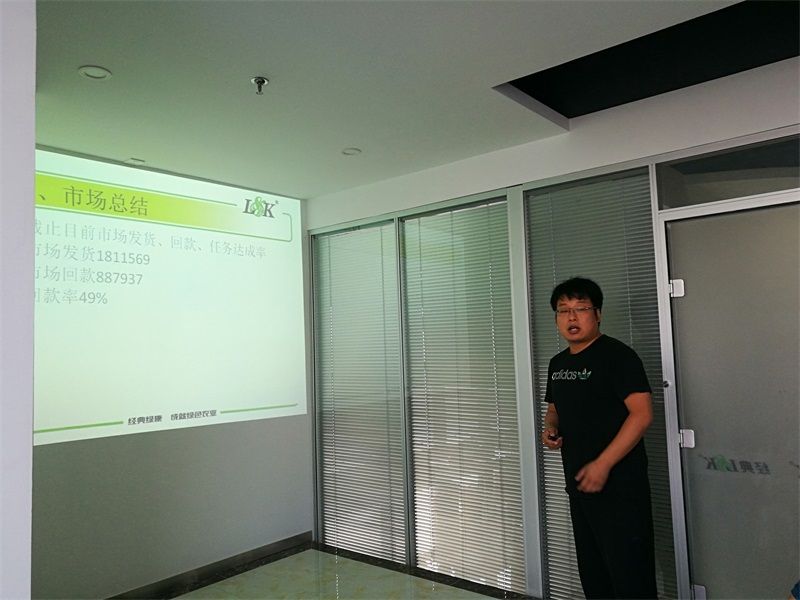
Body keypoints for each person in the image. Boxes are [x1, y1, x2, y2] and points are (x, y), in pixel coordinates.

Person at [541, 277, 658, 599]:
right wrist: (550, 429)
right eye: (563, 310)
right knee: (594, 577)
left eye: (580, 308)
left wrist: (603, 464)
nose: (571, 317)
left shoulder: (618, 357)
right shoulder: (558, 364)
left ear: (598, 314)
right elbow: (554, 408)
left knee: (631, 579)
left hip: (620, 490)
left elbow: (642, 414)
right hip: (580, 485)